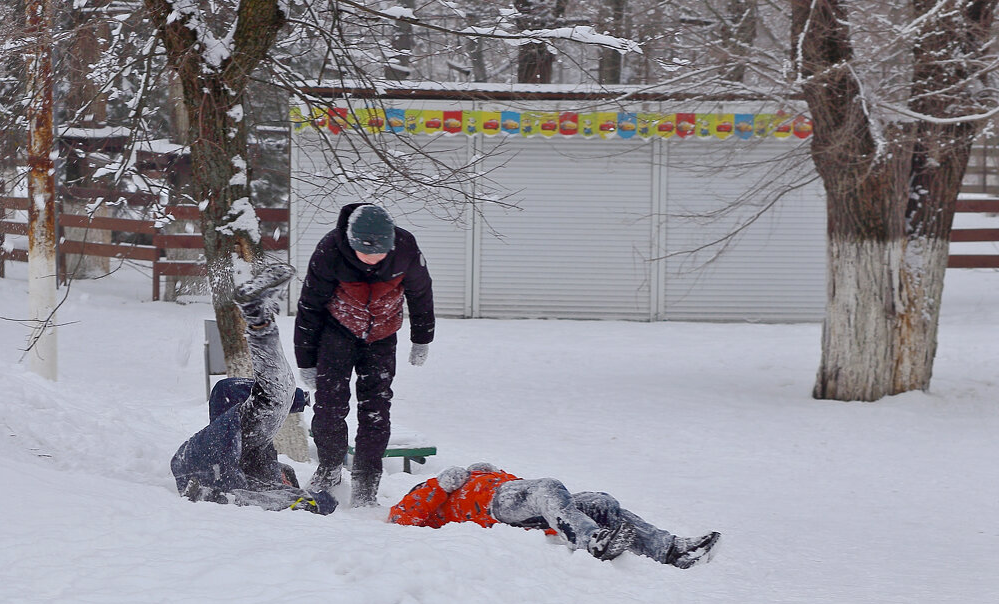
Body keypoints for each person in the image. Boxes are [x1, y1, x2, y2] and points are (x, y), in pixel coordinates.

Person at [294, 202, 435, 508]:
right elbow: (309, 305)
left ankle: (366, 484)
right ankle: (329, 470)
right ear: (351, 241)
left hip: (382, 336)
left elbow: (421, 293)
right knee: (330, 406)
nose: (372, 260)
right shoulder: (330, 250)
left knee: (376, 410)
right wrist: (306, 360)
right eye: (365, 253)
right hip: (337, 331)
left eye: (379, 254)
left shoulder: (406, 248)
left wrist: (422, 338)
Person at [171, 262, 337, 515]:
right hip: (224, 446)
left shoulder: (230, 450)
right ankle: (258, 317)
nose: (283, 481)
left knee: (277, 394)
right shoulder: (244, 463)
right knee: (278, 394)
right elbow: (244, 498)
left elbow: (229, 391)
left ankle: (259, 317)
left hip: (221, 445)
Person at [387, 463, 721, 568]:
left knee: (602, 501)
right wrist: (439, 485)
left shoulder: (480, 477)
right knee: (547, 486)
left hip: (518, 503)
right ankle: (592, 542)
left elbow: (536, 496)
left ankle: (668, 548)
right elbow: (403, 517)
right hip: (492, 507)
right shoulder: (436, 494)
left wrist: (490, 471)